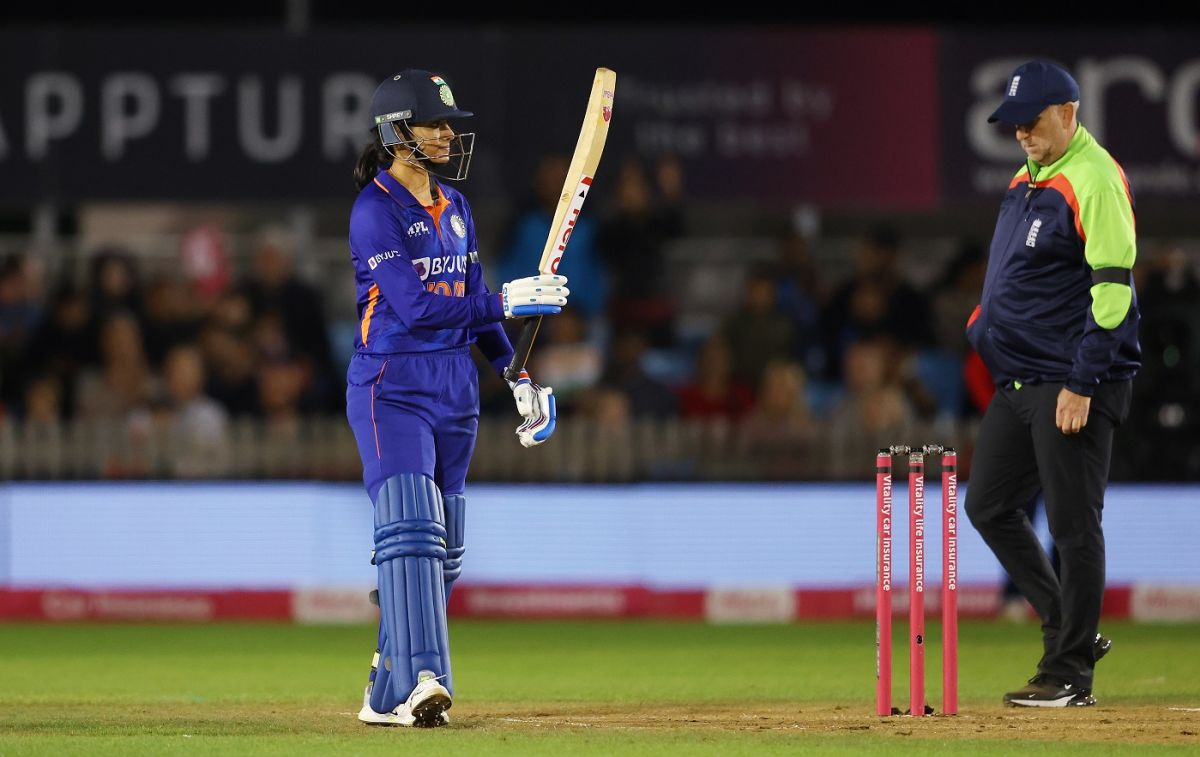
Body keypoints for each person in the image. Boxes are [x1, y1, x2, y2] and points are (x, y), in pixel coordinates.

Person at [345, 69, 570, 727]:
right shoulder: (374, 210)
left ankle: (384, 692)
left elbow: (475, 313)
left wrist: (516, 376)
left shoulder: (457, 209)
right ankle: (425, 679)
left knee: (443, 548)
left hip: (456, 389)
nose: (448, 133)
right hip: (393, 385)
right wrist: (506, 296)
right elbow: (415, 308)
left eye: (450, 124)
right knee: (412, 527)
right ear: (395, 132)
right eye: (435, 123)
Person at [965, 60, 1139, 708]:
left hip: (1072, 381)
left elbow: (1114, 294)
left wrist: (1083, 381)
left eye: (1029, 122)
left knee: (1073, 524)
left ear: (1068, 114)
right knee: (987, 504)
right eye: (1011, 124)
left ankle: (1070, 673)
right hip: (1021, 380)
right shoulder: (1029, 174)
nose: (1019, 135)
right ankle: (1072, 628)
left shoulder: (1095, 178)